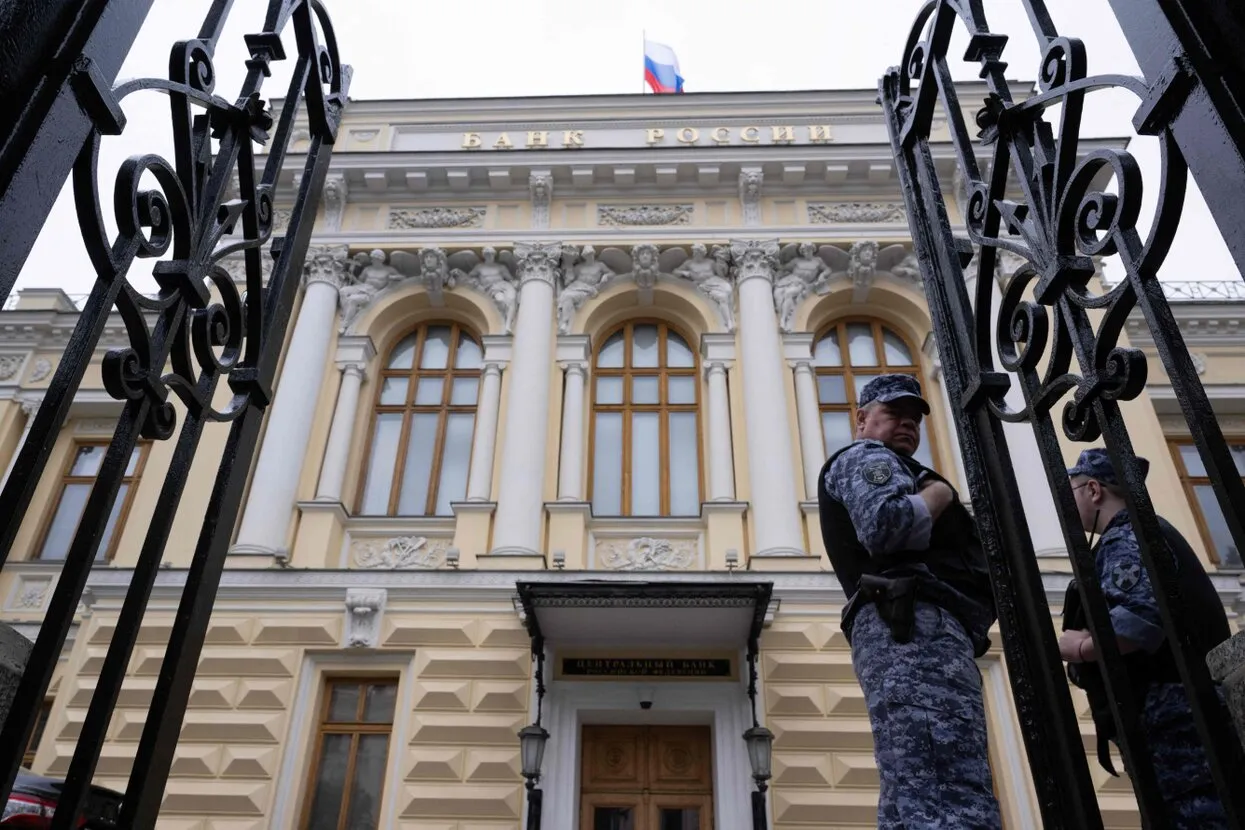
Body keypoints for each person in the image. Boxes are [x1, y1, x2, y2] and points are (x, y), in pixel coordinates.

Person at [818, 374, 1001, 829]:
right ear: (862, 419)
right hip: (911, 626)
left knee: (918, 788)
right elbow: (888, 526)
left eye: (914, 418)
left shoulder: (896, 466)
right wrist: (939, 493)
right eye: (894, 413)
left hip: (917, 627)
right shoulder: (866, 456)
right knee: (944, 782)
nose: (907, 425)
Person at [1059, 448, 1230, 827]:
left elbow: (1137, 620)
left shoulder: (1126, 536)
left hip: (1172, 720)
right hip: (1185, 713)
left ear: (1093, 490)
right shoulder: (1149, 530)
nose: (1064, 503)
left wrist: (1079, 647)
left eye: (1068, 490)